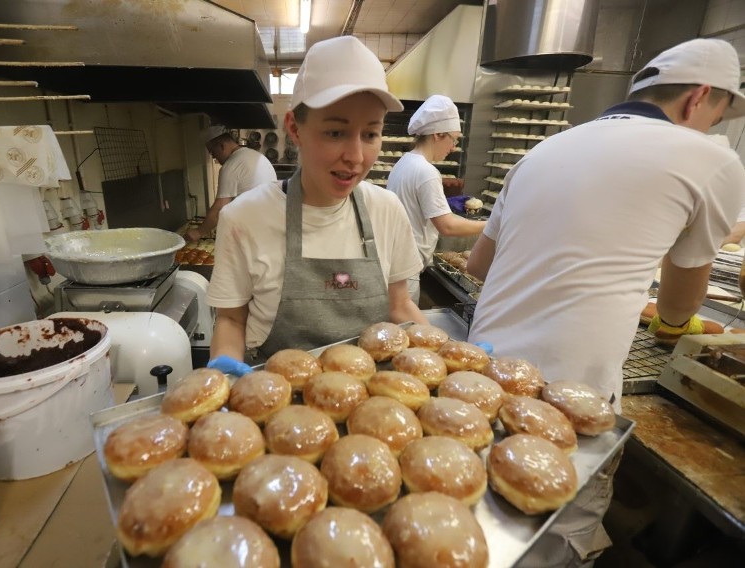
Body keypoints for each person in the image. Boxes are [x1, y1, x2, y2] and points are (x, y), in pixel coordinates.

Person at [466, 38, 745, 567]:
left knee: (487, 529)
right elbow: (681, 305)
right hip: (573, 401)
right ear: (699, 98)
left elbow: (478, 265)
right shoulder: (712, 160)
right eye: (718, 114)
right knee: (552, 538)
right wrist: (670, 321)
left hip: (482, 379)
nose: (714, 126)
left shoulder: (542, 150)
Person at [205, 36, 427, 371]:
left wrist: (447, 359)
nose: (355, 157)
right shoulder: (243, 218)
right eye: (335, 133)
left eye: (370, 135)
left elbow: (400, 306)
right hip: (278, 402)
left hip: (377, 406)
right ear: (294, 128)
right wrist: (224, 379)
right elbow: (232, 322)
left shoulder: (387, 210)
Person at [387, 94, 486, 303]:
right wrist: (492, 225)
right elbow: (447, 226)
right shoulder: (426, 171)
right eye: (453, 139)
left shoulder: (404, 163)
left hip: (395, 264)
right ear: (438, 134)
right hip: (407, 271)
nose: (453, 147)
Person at [184, 125, 277, 242]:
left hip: (254, 234)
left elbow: (218, 211)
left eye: (213, 152)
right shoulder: (257, 156)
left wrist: (198, 232)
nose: (214, 157)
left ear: (221, 146)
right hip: (270, 228)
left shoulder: (231, 165)